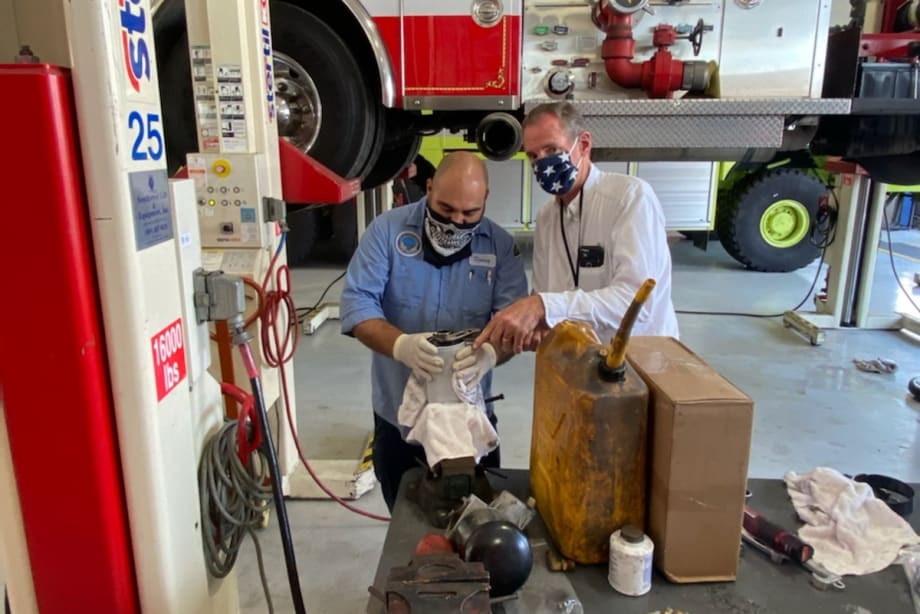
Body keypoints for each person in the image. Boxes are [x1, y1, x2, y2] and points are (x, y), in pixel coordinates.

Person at [340, 151, 528, 510]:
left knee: (475, 520)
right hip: (399, 420)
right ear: (428, 188)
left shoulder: (501, 247)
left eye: (469, 213)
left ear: (485, 199)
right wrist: (400, 346)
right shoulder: (386, 232)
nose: (456, 221)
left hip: (470, 422)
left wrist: (490, 354)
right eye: (445, 209)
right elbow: (357, 304)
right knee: (405, 519)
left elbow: (515, 321)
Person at [474, 102, 679, 354]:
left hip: (639, 360)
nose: (543, 163)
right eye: (533, 156)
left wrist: (542, 306)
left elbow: (637, 303)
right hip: (581, 361)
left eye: (552, 149)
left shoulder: (630, 198)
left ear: (583, 144)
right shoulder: (547, 218)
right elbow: (546, 302)